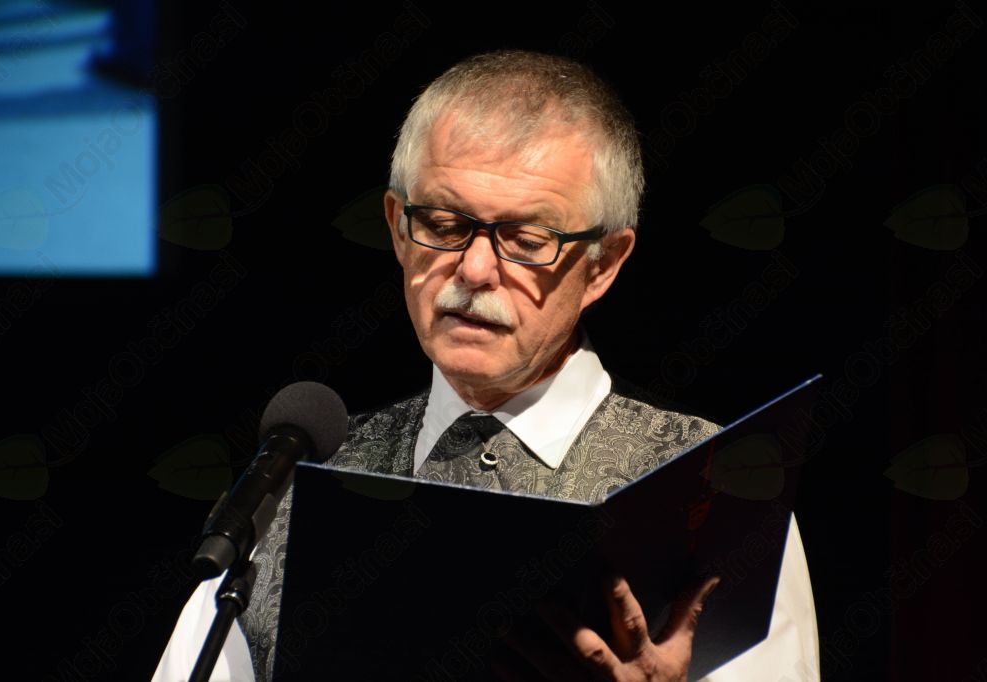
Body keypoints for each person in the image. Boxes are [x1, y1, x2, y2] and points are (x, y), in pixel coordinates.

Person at [154, 50, 819, 681]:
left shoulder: (713, 497)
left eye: (527, 239)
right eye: (444, 225)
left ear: (604, 264)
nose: (474, 270)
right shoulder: (288, 496)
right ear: (397, 227)